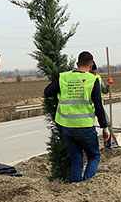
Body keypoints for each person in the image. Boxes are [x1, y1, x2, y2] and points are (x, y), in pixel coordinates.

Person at [44, 51, 110, 182]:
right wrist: (104, 126)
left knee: (76, 160)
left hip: (67, 128)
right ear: (91, 65)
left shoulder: (64, 77)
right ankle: (86, 184)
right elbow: (98, 106)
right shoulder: (93, 80)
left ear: (77, 64)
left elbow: (48, 92)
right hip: (85, 127)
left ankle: (75, 188)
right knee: (94, 156)